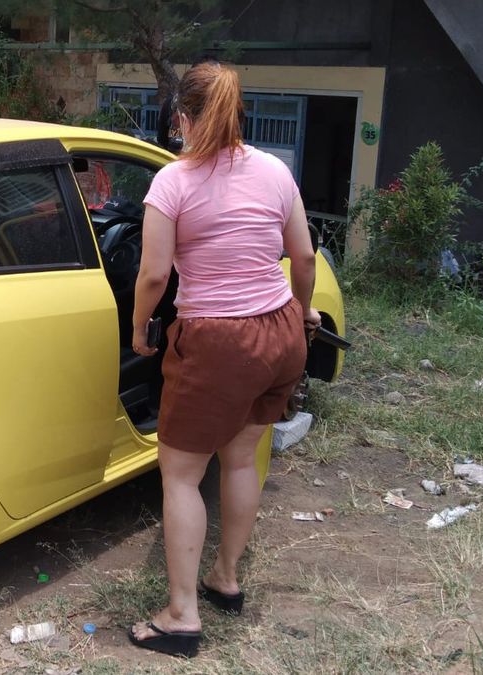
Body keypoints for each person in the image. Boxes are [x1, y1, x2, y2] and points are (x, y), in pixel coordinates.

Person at [127, 62, 321, 658]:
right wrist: (306, 313)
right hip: (281, 332)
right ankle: (225, 579)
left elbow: (156, 272)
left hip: (216, 342)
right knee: (240, 460)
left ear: (182, 119)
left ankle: (182, 615)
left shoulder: (173, 182)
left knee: (182, 475)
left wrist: (139, 330)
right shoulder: (275, 171)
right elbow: (304, 258)